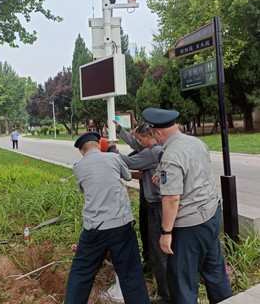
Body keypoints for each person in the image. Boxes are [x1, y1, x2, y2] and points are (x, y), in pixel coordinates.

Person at [142, 108, 233, 304]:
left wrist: (166, 233)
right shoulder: (196, 142)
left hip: (190, 226)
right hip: (211, 214)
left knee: (182, 280)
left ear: (158, 133)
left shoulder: (170, 156)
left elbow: (172, 199)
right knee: (214, 269)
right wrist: (163, 173)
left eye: (154, 135)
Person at [64, 131, 150, 304]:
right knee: (131, 273)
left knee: (81, 272)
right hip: (121, 226)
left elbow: (84, 189)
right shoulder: (113, 158)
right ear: (99, 145)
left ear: (82, 151)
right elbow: (127, 176)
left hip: (95, 229)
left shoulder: (78, 167)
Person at [113, 120, 171, 304]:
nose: (138, 143)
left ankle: (167, 296)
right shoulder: (156, 149)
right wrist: (120, 131)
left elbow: (129, 161)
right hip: (157, 204)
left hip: (157, 205)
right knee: (156, 248)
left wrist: (112, 152)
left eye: (140, 138)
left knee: (158, 252)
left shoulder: (152, 152)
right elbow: (137, 148)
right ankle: (168, 289)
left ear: (149, 136)